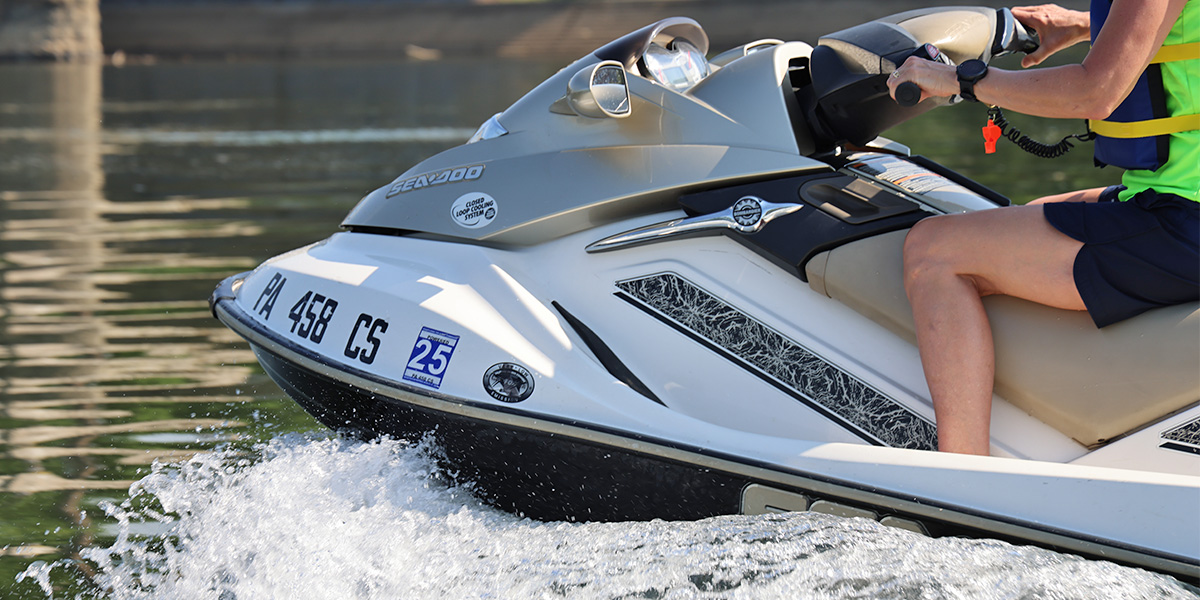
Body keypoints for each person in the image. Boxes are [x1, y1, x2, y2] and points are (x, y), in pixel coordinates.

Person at [885, 0, 1198, 455]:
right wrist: (1085, 25)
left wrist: (960, 81)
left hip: (1184, 218)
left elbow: (1096, 90)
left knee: (934, 250)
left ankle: (964, 482)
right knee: (1036, 211)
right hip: (1178, 195)